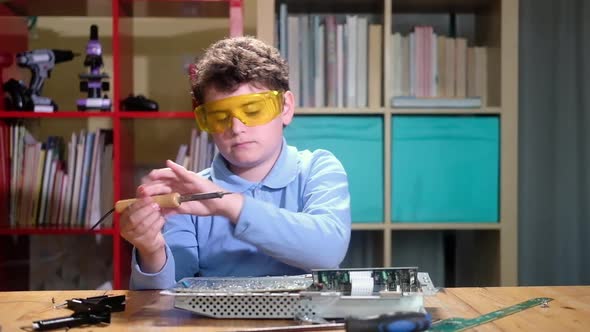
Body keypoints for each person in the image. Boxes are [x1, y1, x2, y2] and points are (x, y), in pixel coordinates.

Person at [121, 36, 351, 290]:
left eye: (252, 111)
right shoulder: (188, 194)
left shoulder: (317, 168)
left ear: (285, 107)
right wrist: (152, 250)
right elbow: (168, 296)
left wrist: (228, 204)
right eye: (219, 116)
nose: (236, 128)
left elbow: (327, 251)